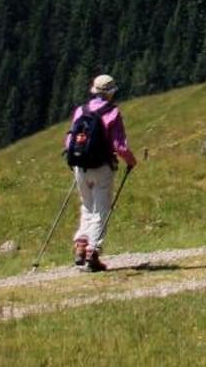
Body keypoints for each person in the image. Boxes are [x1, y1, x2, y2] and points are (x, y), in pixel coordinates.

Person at [62, 73, 137, 272]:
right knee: (101, 210)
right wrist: (131, 160)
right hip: (102, 167)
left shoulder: (81, 110)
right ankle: (92, 254)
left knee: (87, 206)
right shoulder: (113, 112)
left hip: (80, 166)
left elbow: (69, 140)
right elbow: (119, 146)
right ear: (110, 93)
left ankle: (80, 247)